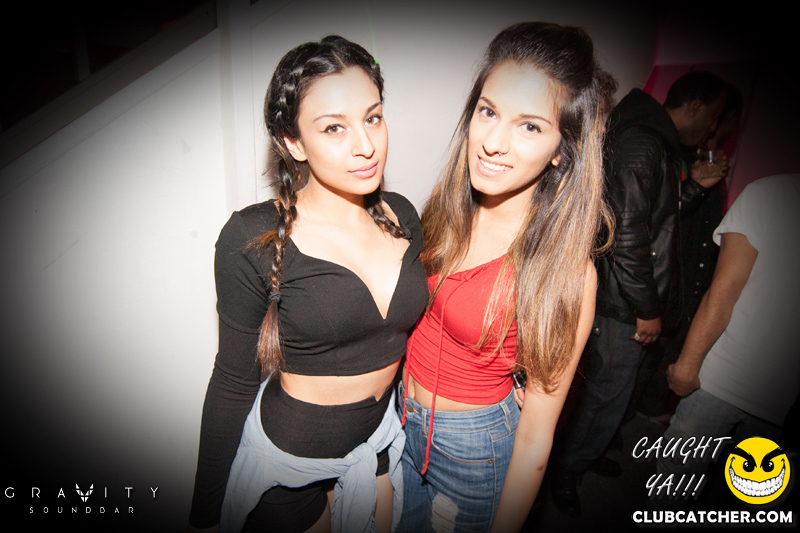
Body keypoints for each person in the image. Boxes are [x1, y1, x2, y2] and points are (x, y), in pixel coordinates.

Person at [187, 36, 428, 533]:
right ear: (294, 142)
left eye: (373, 118)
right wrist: (204, 515)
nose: (366, 146)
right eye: (334, 127)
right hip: (290, 466)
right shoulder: (252, 237)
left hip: (376, 445)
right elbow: (233, 380)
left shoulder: (402, 215)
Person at [398, 22, 617, 533]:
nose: (492, 142)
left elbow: (537, 438)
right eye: (488, 111)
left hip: (472, 449)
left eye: (530, 127)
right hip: (400, 421)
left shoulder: (564, 269)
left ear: (562, 149)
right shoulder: (444, 211)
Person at [551, 71, 728, 516]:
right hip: (622, 303)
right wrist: (646, 309)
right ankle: (566, 471)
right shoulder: (644, 139)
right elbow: (626, 236)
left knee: (610, 394)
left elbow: (654, 218)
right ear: (695, 106)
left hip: (623, 298)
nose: (711, 129)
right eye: (712, 117)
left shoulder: (651, 136)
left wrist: (693, 189)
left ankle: (583, 457)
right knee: (604, 395)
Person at [652, 174, 800, 508]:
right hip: (721, 379)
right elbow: (724, 288)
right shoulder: (770, 194)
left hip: (784, 401)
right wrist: (688, 365)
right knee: (673, 486)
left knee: (747, 502)